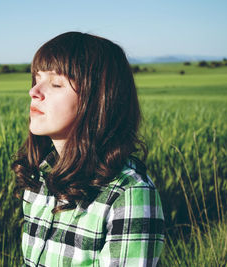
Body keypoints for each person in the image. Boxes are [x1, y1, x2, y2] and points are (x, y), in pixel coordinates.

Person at [12, 32, 165, 267]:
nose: (33, 92)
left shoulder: (129, 194)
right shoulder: (41, 177)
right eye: (36, 79)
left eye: (55, 83)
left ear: (98, 100)